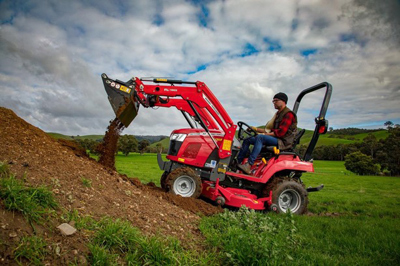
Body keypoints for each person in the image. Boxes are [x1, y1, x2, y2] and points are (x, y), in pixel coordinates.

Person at [237, 92, 298, 175]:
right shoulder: (278, 115)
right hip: (276, 138)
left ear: (283, 101)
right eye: (273, 101)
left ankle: (249, 165)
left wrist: (263, 135)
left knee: (260, 138)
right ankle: (238, 162)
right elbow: (270, 131)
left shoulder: (288, 114)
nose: (274, 103)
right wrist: (255, 129)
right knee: (248, 140)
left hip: (283, 142)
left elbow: (280, 133)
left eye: (276, 100)